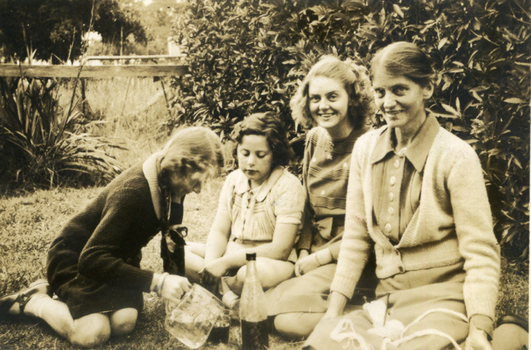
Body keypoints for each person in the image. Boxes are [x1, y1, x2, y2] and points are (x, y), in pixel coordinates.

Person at [304, 42, 501, 350]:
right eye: (380, 92)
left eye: (400, 90)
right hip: (387, 298)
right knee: (322, 343)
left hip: (443, 294)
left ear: (427, 88)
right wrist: (333, 312)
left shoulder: (457, 156)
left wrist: (480, 325)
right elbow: (356, 240)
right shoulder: (365, 149)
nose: (388, 103)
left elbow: (481, 252)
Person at [0, 126, 225, 347]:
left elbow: (171, 240)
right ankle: (34, 301)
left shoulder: (172, 186)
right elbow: (90, 259)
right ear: (180, 165)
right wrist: (158, 283)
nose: (197, 190)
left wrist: (177, 289)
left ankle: (61, 299)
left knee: (124, 323)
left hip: (116, 263)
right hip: (75, 260)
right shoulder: (133, 192)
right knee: (93, 333)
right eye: (196, 182)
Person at [265, 55, 378, 339]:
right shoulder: (314, 138)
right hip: (314, 250)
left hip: (350, 255)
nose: (322, 106)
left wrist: (321, 257)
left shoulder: (370, 145)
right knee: (257, 301)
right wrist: (304, 251)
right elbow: (307, 208)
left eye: (332, 97)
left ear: (351, 98)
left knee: (285, 322)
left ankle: (368, 313)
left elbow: (370, 226)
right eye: (315, 98)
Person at [184, 112, 306, 307]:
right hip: (232, 251)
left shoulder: (287, 186)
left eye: (260, 155)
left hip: (270, 260)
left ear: (275, 154)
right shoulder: (234, 180)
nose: (250, 161)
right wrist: (211, 264)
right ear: (237, 150)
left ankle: (213, 291)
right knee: (179, 252)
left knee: (249, 274)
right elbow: (220, 230)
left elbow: (280, 249)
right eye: (245, 153)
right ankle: (227, 294)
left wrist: (225, 263)